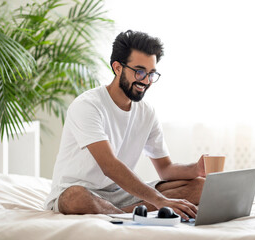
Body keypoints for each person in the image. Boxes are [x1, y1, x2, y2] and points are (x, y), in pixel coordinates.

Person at [44, 30, 206, 220]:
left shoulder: (147, 112)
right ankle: (131, 216)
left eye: (151, 74)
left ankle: (124, 213)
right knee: (74, 198)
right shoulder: (87, 105)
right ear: (117, 68)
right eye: (139, 72)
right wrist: (160, 201)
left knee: (200, 186)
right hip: (80, 192)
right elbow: (110, 166)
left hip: (120, 194)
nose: (146, 81)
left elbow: (166, 169)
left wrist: (196, 168)